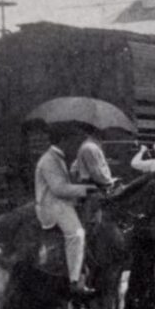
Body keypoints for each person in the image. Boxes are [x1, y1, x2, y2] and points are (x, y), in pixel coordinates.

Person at [35, 125, 99, 296]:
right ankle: (75, 280)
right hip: (52, 206)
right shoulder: (49, 160)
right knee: (77, 234)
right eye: (73, 140)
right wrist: (88, 188)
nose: (75, 144)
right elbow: (59, 189)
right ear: (63, 140)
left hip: (62, 203)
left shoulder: (59, 157)